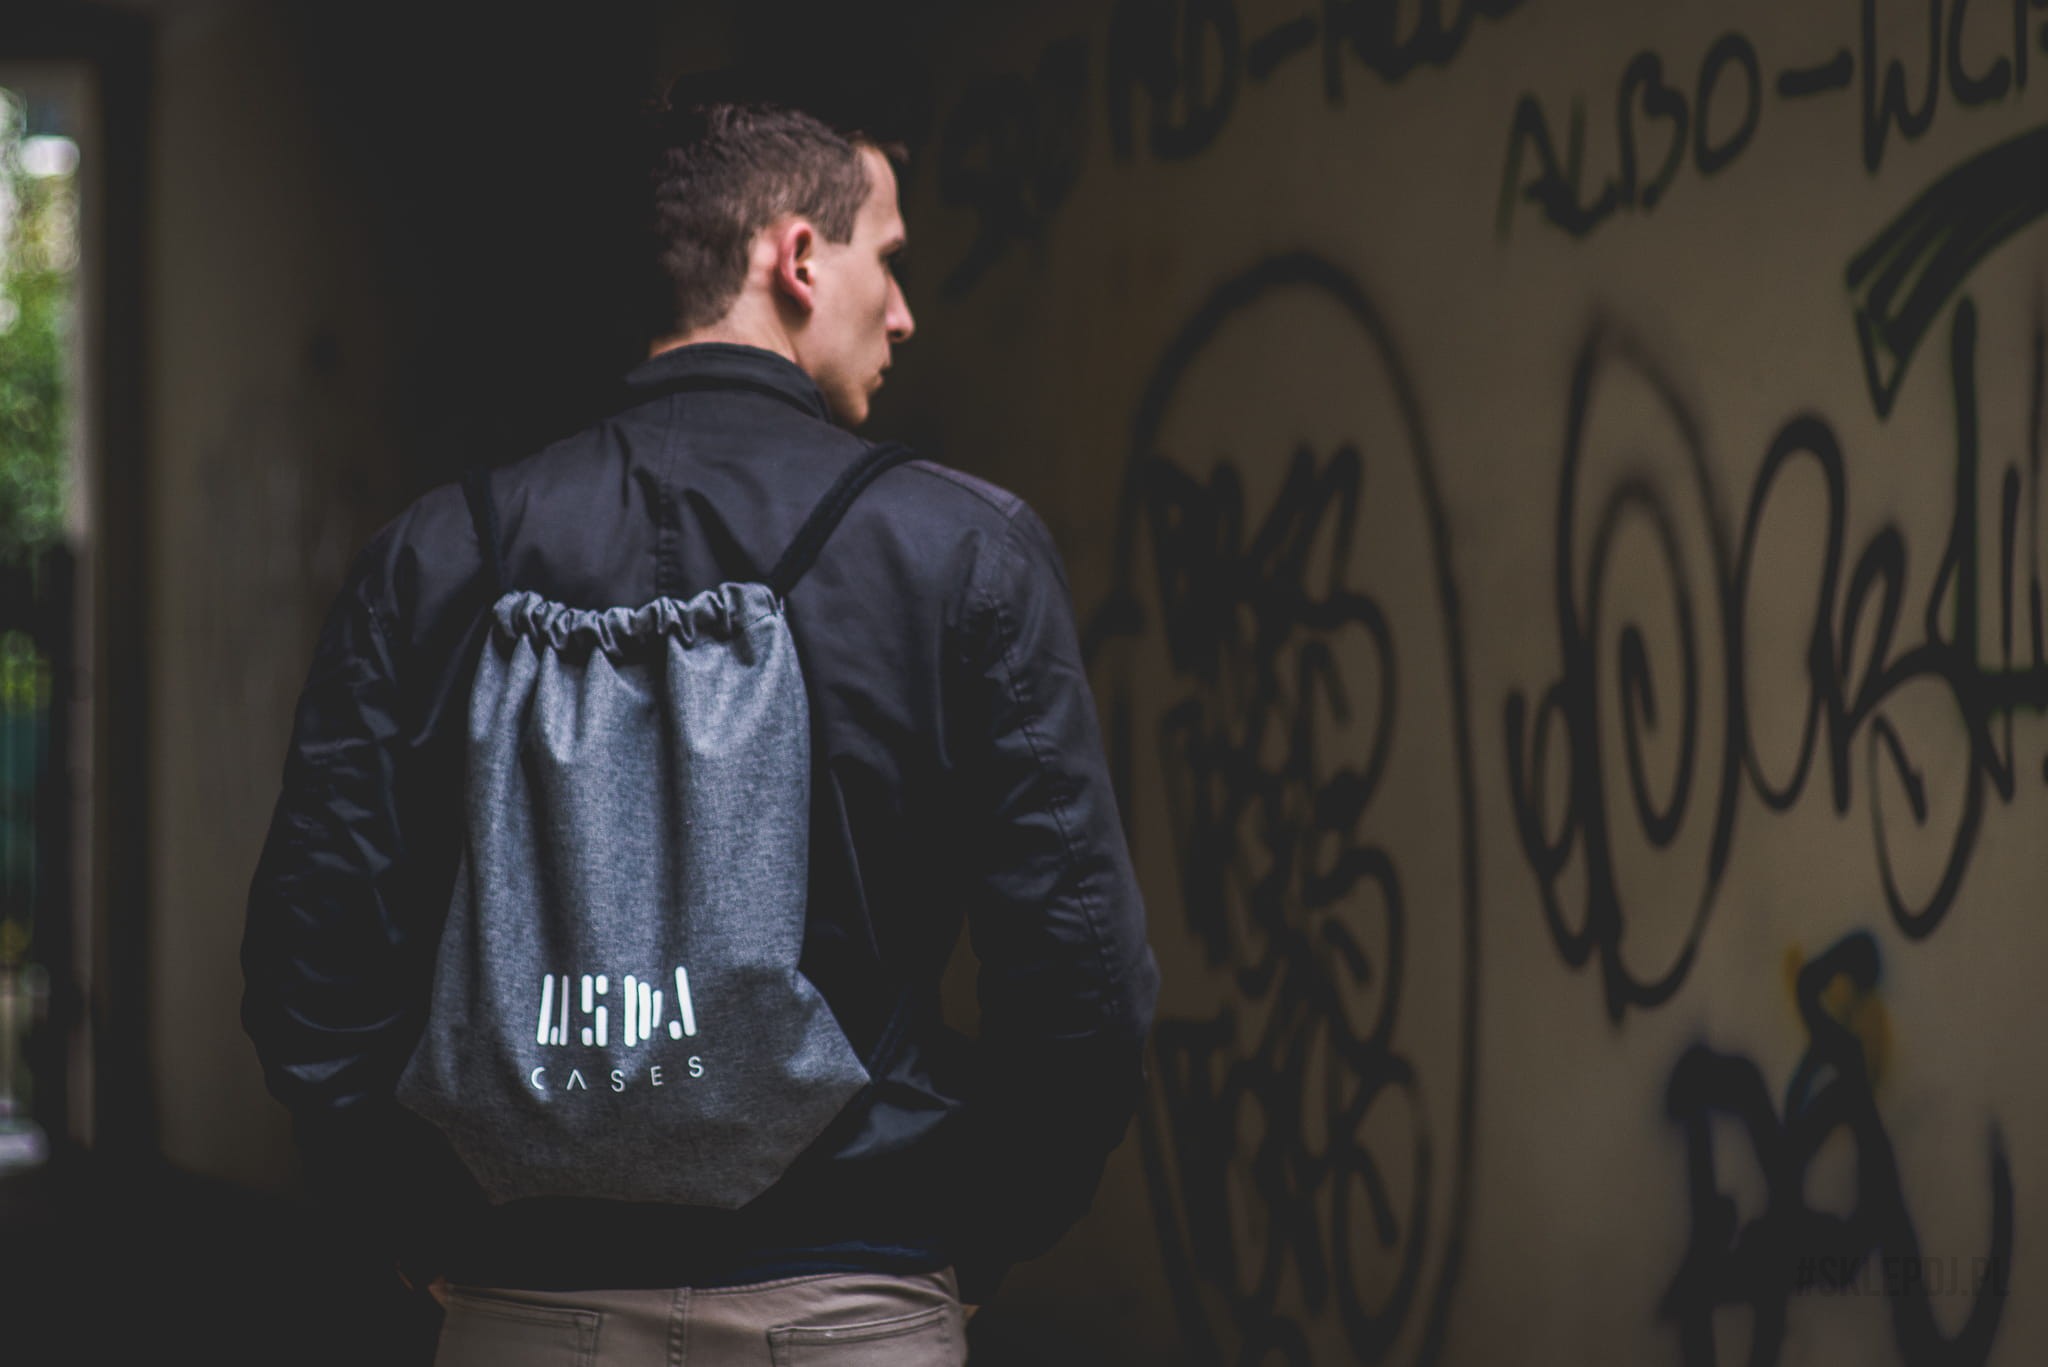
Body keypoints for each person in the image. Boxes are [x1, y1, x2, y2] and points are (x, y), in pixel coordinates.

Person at [240, 89, 1160, 1365]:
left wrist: (416, 1211)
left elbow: (313, 954)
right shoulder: (961, 550)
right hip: (853, 1296)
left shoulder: (436, 554)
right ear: (797, 258)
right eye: (887, 260)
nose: (903, 312)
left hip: (525, 1300)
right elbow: (1082, 980)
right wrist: (964, 1230)